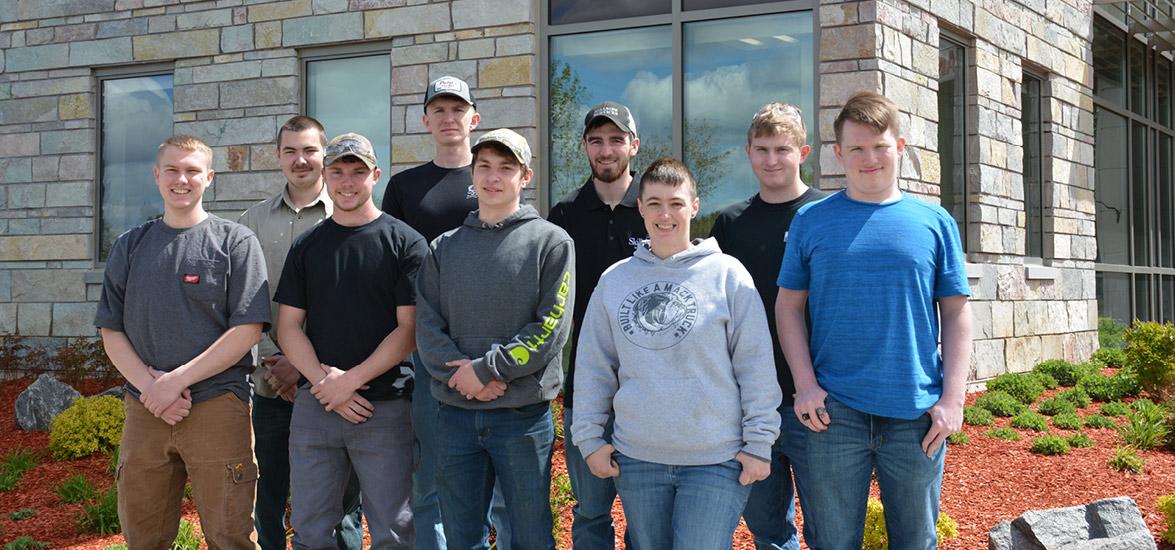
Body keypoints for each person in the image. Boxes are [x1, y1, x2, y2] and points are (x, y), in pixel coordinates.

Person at [776, 91, 972, 549]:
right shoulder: (812, 221)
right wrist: (805, 384)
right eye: (857, 148)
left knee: (916, 540)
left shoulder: (935, 221)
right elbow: (787, 307)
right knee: (831, 540)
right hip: (833, 413)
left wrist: (953, 399)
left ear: (899, 148)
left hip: (916, 414)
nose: (870, 158)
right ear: (838, 153)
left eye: (880, 146)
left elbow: (957, 312)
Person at [572, 157, 782, 550]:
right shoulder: (615, 280)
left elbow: (754, 364)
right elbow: (594, 367)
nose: (664, 214)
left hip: (716, 458)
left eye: (675, 202)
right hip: (638, 457)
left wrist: (759, 443)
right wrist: (588, 439)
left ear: (694, 207)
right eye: (653, 203)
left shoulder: (727, 275)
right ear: (640, 207)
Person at [95, 134, 270, 548]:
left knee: (231, 536)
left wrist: (173, 382)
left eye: (192, 171)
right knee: (143, 535)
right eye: (172, 170)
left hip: (217, 405)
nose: (182, 179)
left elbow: (248, 328)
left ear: (209, 178)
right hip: (145, 409)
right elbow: (111, 329)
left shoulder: (234, 242)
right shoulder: (130, 246)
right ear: (157, 176)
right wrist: (151, 386)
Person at [415, 128, 574, 550]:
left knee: (529, 536)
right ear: (472, 173)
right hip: (454, 415)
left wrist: (484, 371)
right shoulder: (444, 248)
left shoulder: (551, 243)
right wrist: (462, 378)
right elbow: (427, 327)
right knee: (462, 537)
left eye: (506, 168)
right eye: (483, 166)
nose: (493, 177)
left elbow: (550, 328)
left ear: (525, 176)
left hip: (521, 418)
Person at [275, 133, 429, 549]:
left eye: (358, 172)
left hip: (385, 408)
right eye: (338, 171)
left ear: (375, 175)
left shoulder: (404, 243)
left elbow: (409, 330)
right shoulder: (308, 246)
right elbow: (287, 327)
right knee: (310, 531)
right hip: (316, 407)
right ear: (324, 176)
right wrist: (328, 387)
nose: (347, 182)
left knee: (394, 532)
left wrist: (350, 382)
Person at [379, 76, 509, 550]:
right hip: (426, 347)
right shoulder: (405, 186)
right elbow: (390, 267)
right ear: (425, 120)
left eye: (459, 109)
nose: (449, 118)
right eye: (440, 109)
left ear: (474, 118)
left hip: (492, 346)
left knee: (497, 480)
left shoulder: (495, 180)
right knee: (432, 472)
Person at [239, 115, 364, 550]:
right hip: (270, 384)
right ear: (278, 158)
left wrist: (302, 365)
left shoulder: (352, 214)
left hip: (334, 382)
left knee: (343, 501)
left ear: (324, 155)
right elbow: (245, 301)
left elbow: (360, 305)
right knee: (268, 495)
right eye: (290, 151)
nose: (301, 160)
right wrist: (277, 360)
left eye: (310, 150)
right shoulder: (251, 221)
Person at [709, 102, 826, 550]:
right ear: (748, 152)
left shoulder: (824, 213)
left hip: (817, 398)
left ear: (804, 152)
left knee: (828, 530)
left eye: (783, 149)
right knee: (768, 532)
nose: (772, 159)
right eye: (762, 149)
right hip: (752, 401)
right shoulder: (730, 223)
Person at [546, 101, 646, 550]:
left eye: (616, 140)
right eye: (597, 141)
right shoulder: (563, 215)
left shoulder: (652, 208)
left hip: (649, 381)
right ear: (585, 147)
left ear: (634, 146)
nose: (606, 150)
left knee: (645, 511)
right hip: (585, 382)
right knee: (590, 510)